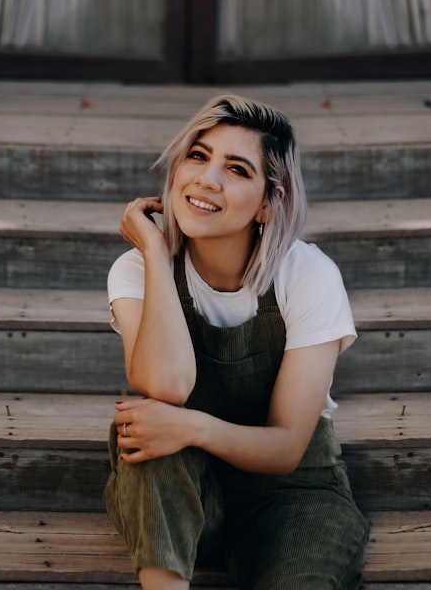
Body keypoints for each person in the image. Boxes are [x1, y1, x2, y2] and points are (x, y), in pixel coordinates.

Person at [104, 94, 369, 590]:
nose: (207, 179)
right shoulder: (138, 269)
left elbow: (289, 446)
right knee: (147, 431)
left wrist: (194, 428)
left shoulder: (307, 276)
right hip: (184, 493)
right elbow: (166, 383)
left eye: (238, 170)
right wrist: (158, 254)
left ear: (270, 203)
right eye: (198, 156)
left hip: (293, 493)